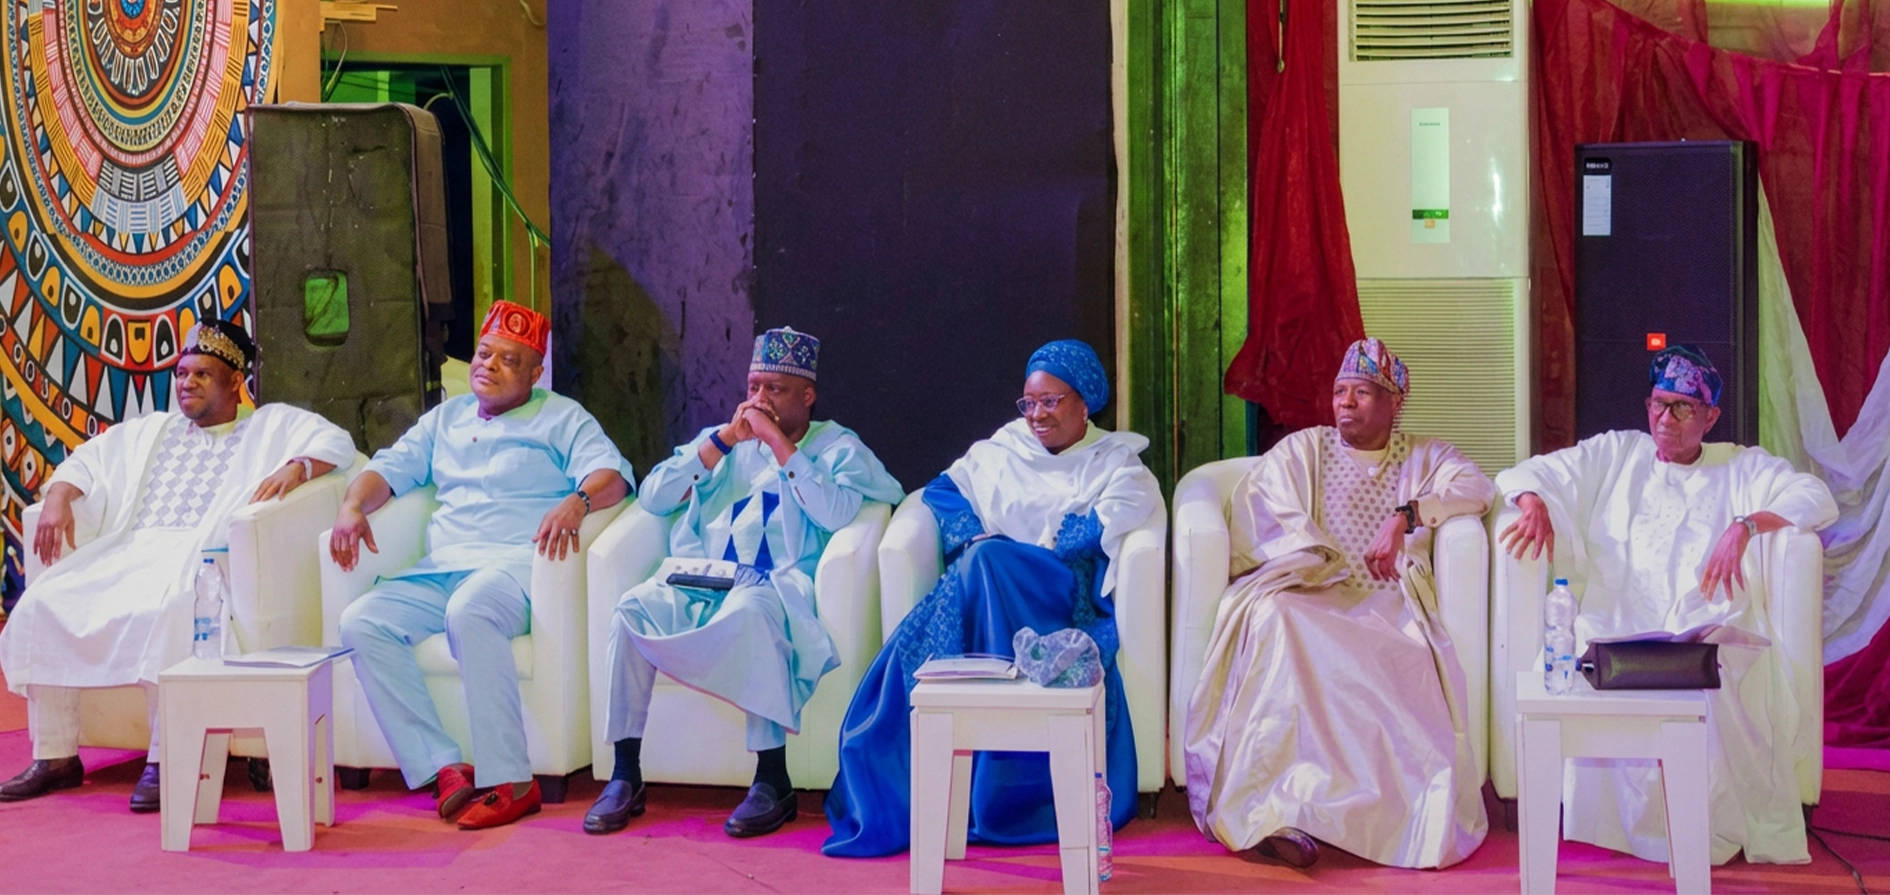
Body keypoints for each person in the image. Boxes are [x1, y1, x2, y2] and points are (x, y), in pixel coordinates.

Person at [1496, 344, 1837, 866]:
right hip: (1617, 618)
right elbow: (1532, 472)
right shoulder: (1617, 454)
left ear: (1711, 416)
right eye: (1658, 403)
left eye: (1682, 407)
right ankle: (1611, 827)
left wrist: (1746, 526)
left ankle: (1706, 826)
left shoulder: (1739, 467)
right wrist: (1533, 502)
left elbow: (1815, 497)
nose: (1665, 418)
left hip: (1701, 626)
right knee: (1578, 652)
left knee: (1727, 673)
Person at [823, 339, 1161, 857]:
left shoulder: (1114, 462)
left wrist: (1000, 552)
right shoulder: (1002, 448)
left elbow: (1090, 534)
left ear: (1084, 401)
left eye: (1052, 401)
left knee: (984, 562)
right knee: (979, 563)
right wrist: (974, 540)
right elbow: (941, 492)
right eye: (1030, 402)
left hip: (1055, 592)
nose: (1037, 415)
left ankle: (1001, 789)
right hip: (988, 584)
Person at [0, 320, 356, 811]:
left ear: (235, 382)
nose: (186, 383)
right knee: (44, 602)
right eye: (183, 373)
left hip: (195, 559)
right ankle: (56, 755)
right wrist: (60, 495)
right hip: (128, 553)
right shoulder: (153, 430)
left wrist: (298, 466)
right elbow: (88, 461)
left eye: (202, 375)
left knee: (170, 609)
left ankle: (166, 760)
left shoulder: (269, 426)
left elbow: (337, 443)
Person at [1183, 337, 1492, 870]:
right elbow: (1260, 509)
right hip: (1309, 599)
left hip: (1388, 609)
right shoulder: (1306, 448)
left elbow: (1477, 487)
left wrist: (1407, 516)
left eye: (1363, 392)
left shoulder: (1425, 455)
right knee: (1276, 619)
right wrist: (1317, 560)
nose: (1346, 402)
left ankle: (1376, 823)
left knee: (1409, 659)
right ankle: (1272, 813)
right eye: (1340, 391)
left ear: (1395, 403)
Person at [586, 326, 902, 839]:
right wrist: (722, 442)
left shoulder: (838, 446)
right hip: (700, 579)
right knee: (630, 610)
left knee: (749, 614)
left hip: (773, 584)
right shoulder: (724, 440)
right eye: (754, 387)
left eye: (774, 389)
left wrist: (780, 445)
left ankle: (772, 780)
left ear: (807, 395)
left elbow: (839, 512)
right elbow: (653, 497)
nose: (758, 401)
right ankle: (625, 773)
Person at [329, 301, 632, 830]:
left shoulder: (561, 417)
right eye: (484, 353)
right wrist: (353, 506)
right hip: (440, 567)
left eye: (508, 360)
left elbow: (614, 475)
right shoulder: (445, 418)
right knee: (361, 621)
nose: (488, 366)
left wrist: (576, 502)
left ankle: (513, 782)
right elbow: (388, 469)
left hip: (512, 570)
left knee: (470, 611)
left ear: (536, 375)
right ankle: (443, 766)